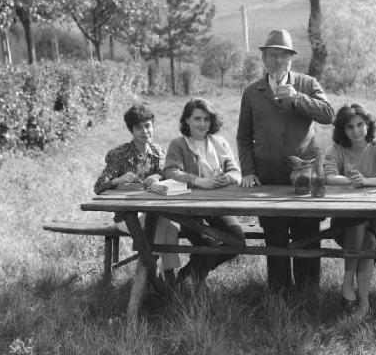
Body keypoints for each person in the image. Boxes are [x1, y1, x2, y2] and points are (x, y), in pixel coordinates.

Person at [237, 29, 335, 293]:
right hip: (267, 179)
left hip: (304, 179)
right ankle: (279, 293)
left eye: (283, 56)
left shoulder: (307, 83)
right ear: (264, 59)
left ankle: (308, 290)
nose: (278, 61)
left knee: (307, 235)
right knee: (275, 237)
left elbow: (328, 114)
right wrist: (247, 171)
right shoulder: (252, 92)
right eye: (272, 55)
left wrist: (298, 98)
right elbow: (244, 136)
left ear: (291, 58)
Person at [323, 104, 376, 317]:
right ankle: (360, 299)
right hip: (343, 222)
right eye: (350, 127)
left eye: (360, 125)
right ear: (342, 130)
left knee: (369, 235)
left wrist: (365, 181)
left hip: (375, 219)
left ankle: (355, 293)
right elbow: (328, 176)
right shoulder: (336, 149)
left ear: (368, 125)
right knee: (363, 230)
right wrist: (348, 180)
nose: (356, 131)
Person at [94, 104, 180, 283]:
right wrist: (118, 180)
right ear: (131, 130)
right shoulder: (119, 155)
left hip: (155, 213)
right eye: (139, 127)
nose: (145, 131)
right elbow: (99, 186)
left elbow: (168, 173)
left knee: (170, 225)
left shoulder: (158, 152)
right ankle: (157, 275)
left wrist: (157, 176)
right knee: (167, 226)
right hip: (127, 218)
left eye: (148, 126)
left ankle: (160, 274)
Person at [164, 97, 245, 284]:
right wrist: (199, 181)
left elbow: (236, 171)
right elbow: (170, 171)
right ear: (186, 120)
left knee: (238, 242)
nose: (202, 123)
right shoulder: (179, 143)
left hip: (218, 206)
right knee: (208, 245)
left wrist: (229, 177)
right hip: (189, 210)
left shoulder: (220, 142)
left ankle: (190, 272)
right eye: (197, 119)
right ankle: (196, 279)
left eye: (206, 119)